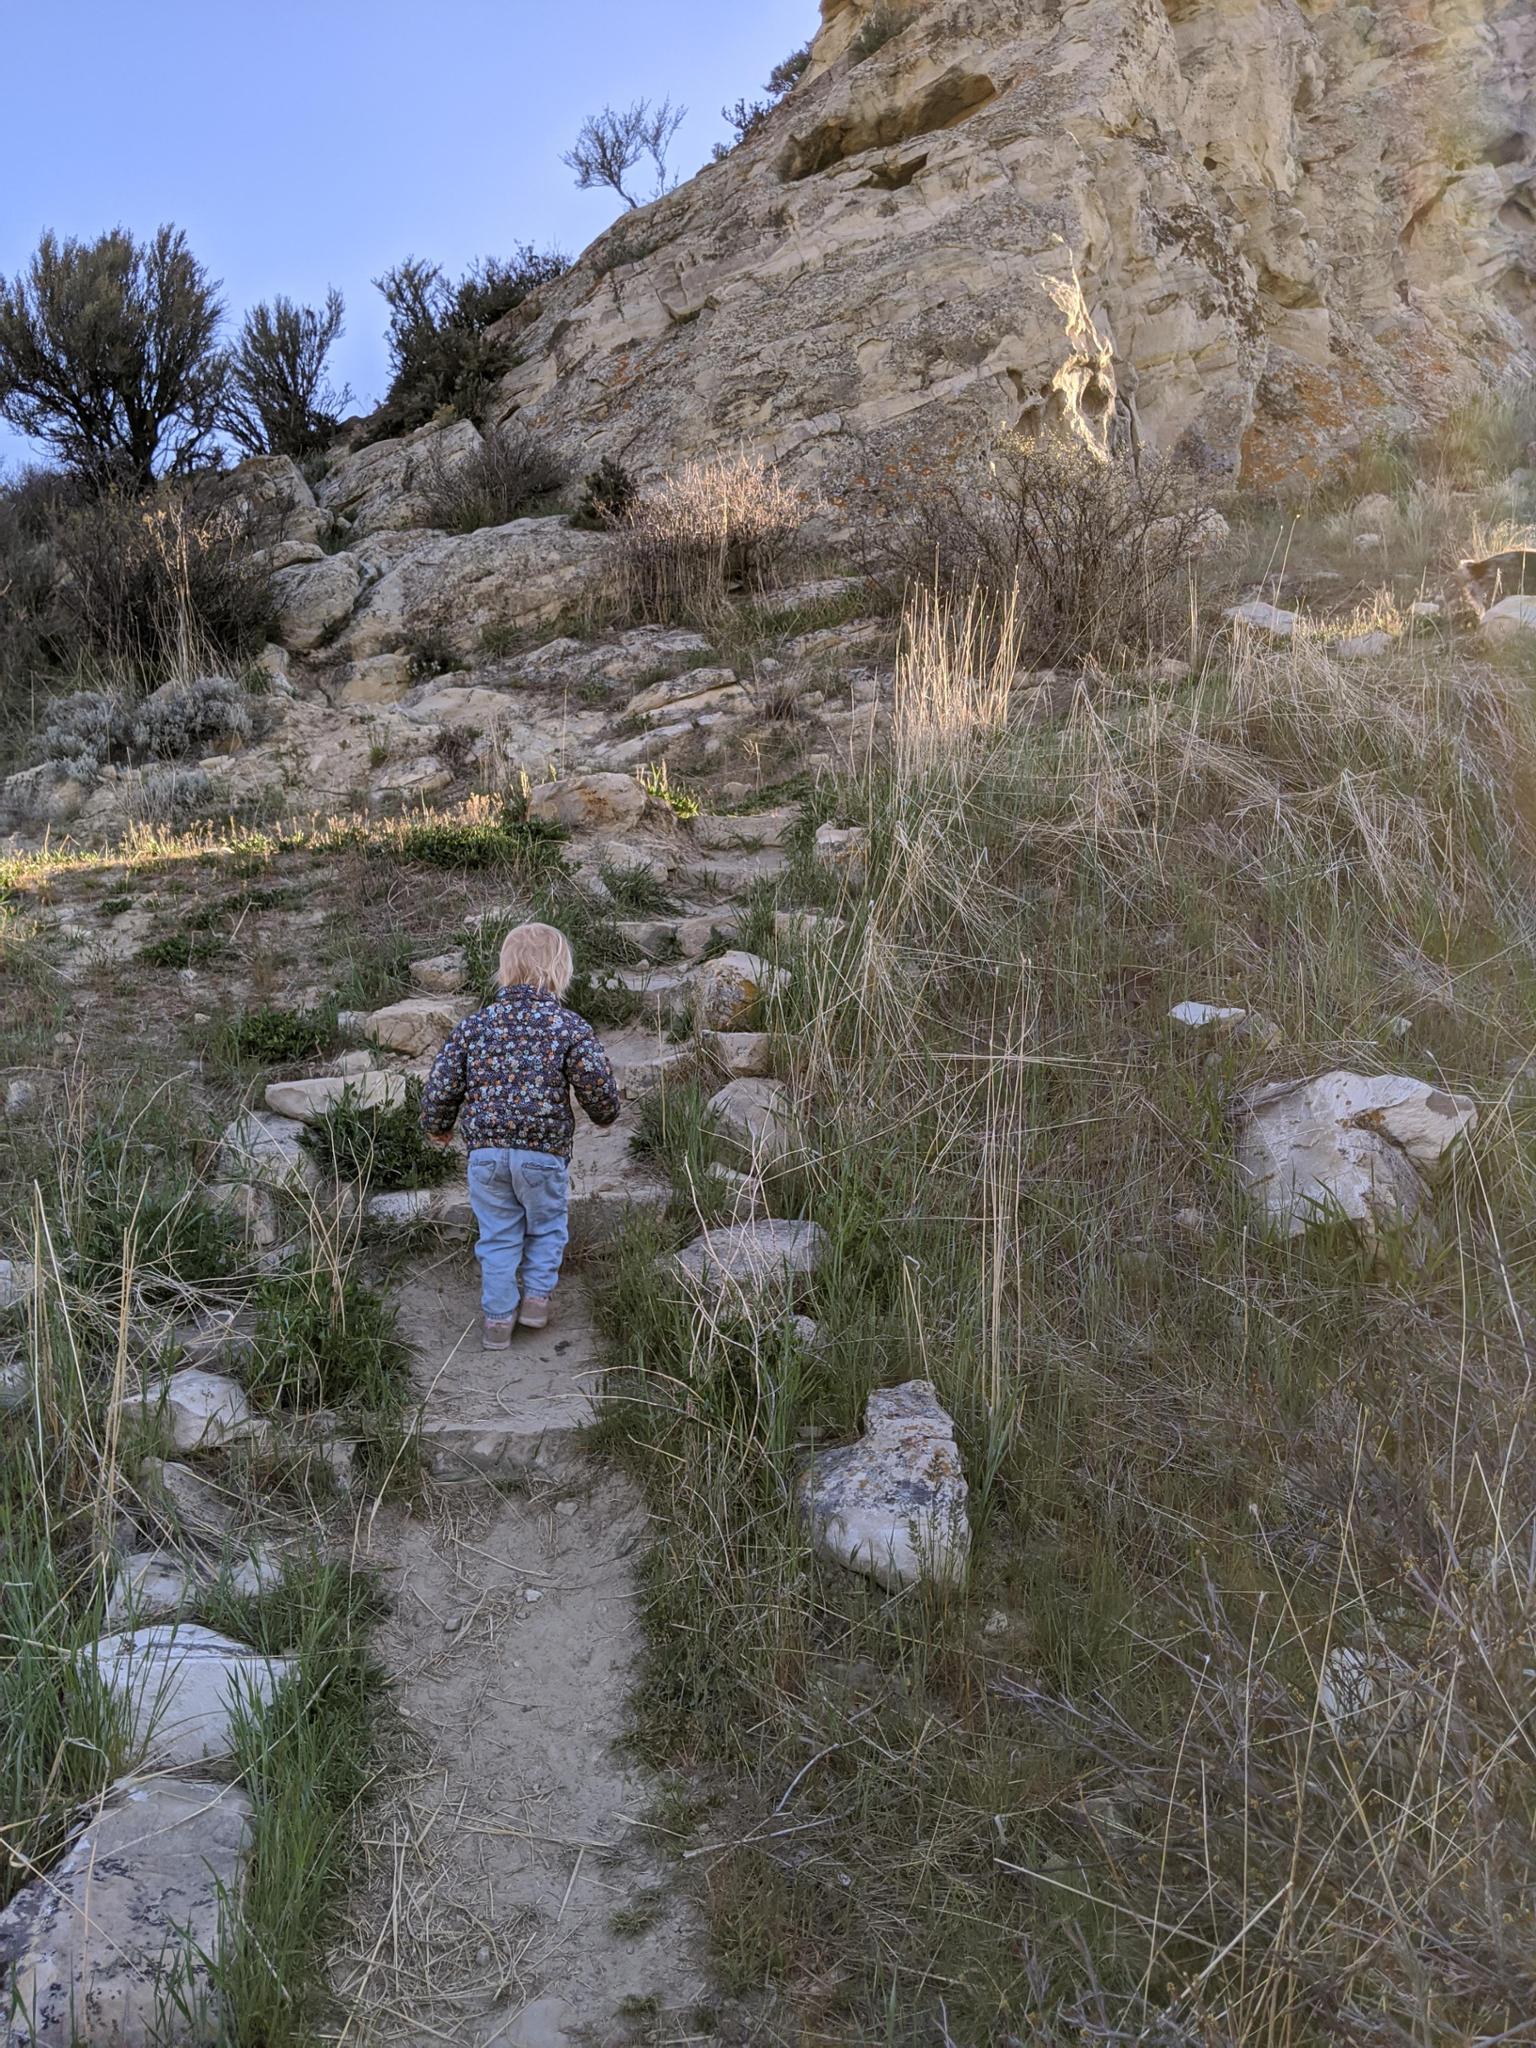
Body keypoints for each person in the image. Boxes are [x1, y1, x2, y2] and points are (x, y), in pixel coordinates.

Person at [420, 922, 620, 1349]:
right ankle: (536, 1301)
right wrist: (604, 1115)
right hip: (542, 1154)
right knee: (546, 1226)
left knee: (497, 1235)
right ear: (559, 973)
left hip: (486, 1155)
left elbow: (442, 1083)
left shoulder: (474, 1026)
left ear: (504, 971)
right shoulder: (568, 1026)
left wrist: (438, 1125)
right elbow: (595, 1080)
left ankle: (497, 1320)